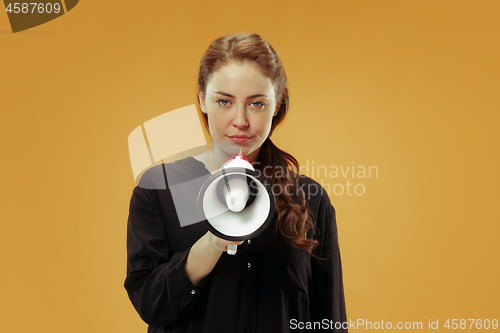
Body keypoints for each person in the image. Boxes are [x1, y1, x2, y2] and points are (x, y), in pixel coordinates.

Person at [124, 33, 348, 332]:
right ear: (202, 98)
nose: (240, 120)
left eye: (256, 104)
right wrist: (213, 241)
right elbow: (152, 305)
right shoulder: (161, 188)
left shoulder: (309, 198)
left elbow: (329, 321)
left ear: (277, 104)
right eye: (224, 101)